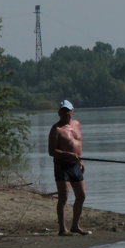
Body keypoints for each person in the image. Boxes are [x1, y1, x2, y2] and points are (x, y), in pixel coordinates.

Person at [48, 99, 91, 235]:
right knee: (63, 197)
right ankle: (62, 228)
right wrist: (68, 154)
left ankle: (75, 226)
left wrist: (81, 160)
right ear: (59, 113)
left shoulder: (77, 124)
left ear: (72, 112)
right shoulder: (56, 129)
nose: (65, 113)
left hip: (76, 165)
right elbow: (51, 151)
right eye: (63, 111)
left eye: (68, 111)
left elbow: (78, 144)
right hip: (62, 165)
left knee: (81, 195)